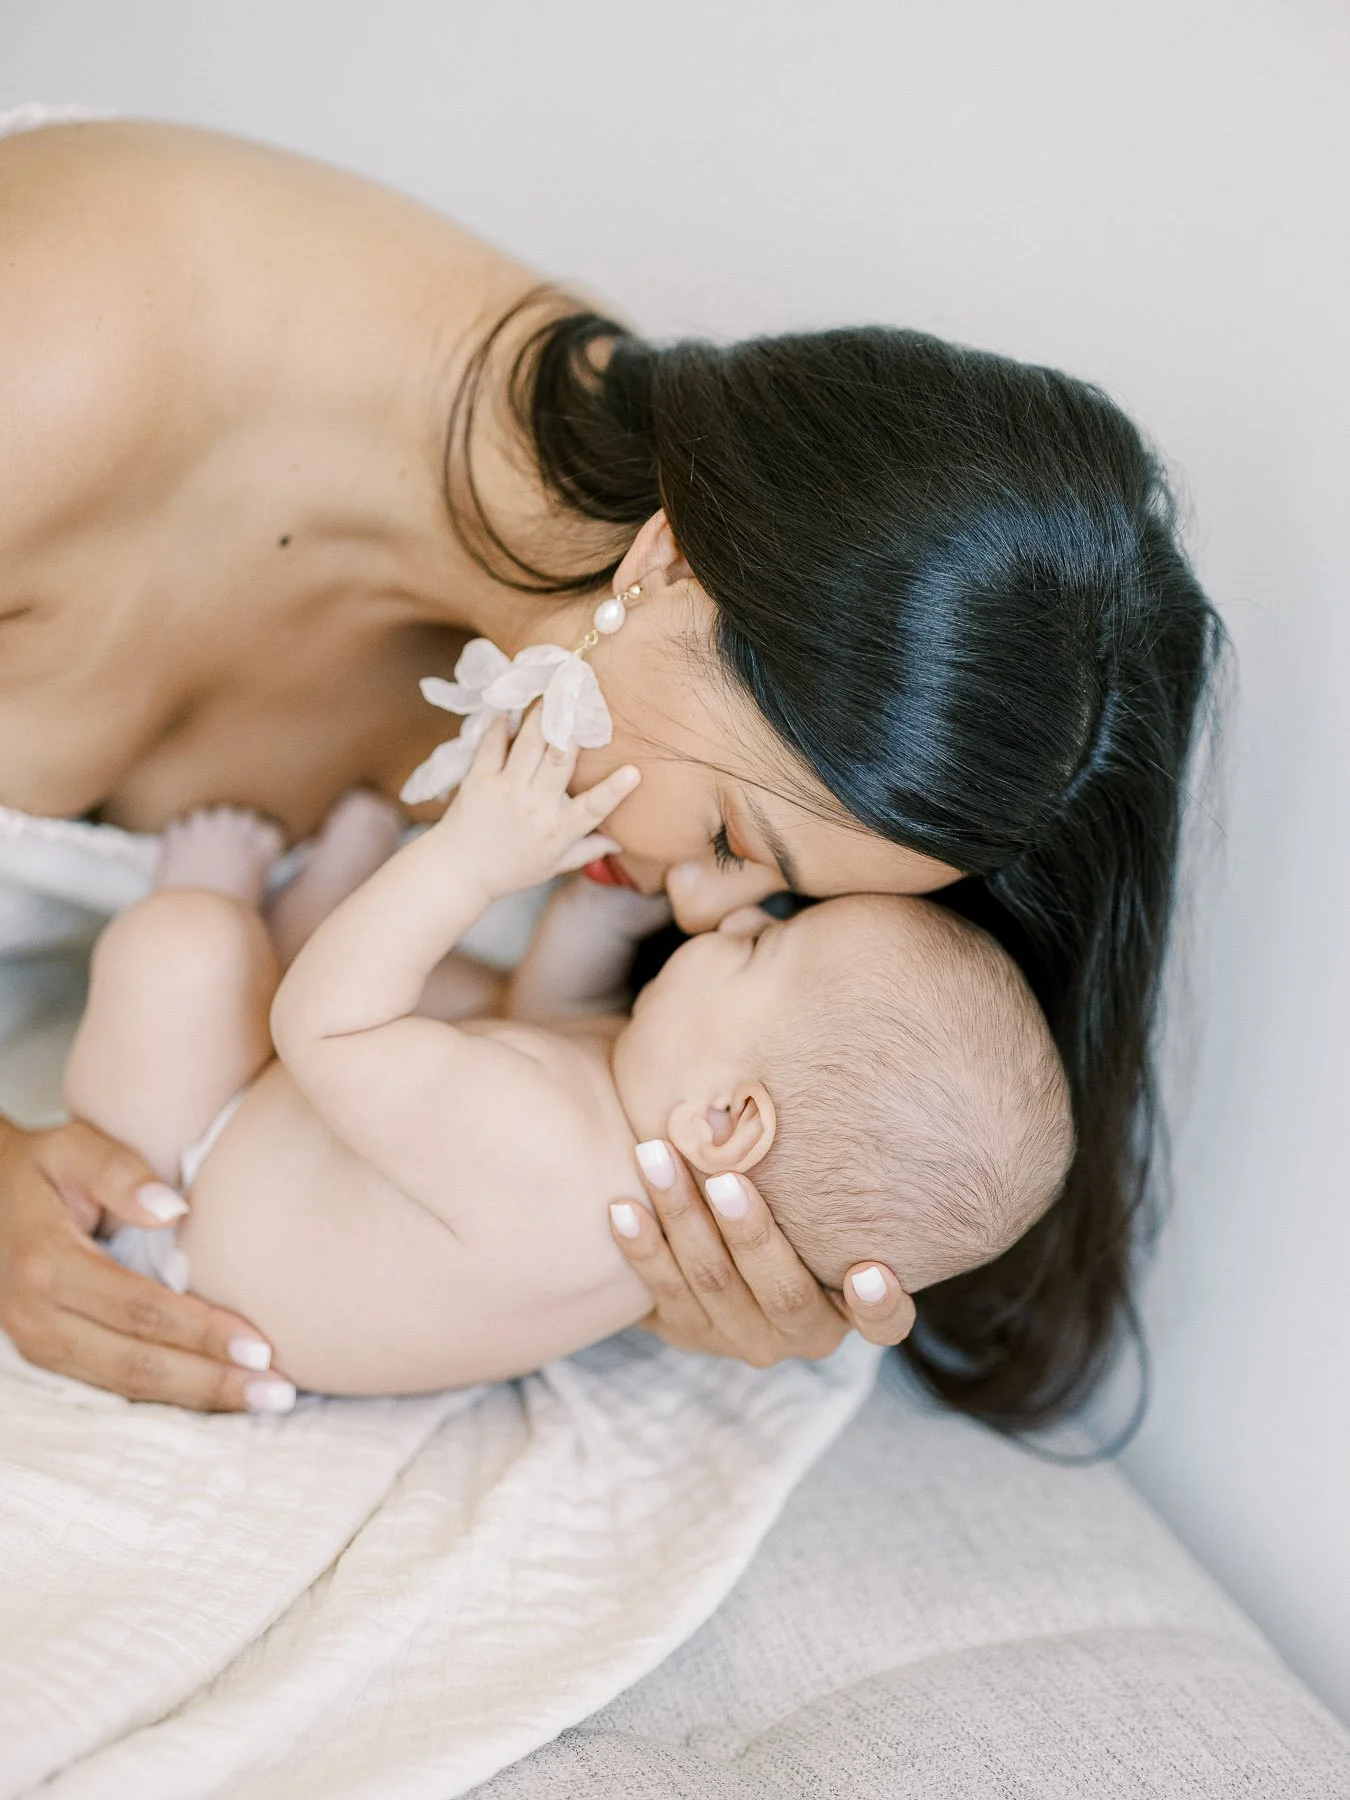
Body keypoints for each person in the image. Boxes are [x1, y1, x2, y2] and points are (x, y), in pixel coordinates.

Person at [0, 117, 1223, 1427]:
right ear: (669, 568)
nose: (697, 910)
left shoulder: (604, 668)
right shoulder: (55, 367)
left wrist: (684, 1257)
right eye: (737, 847)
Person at [65, 708, 1072, 1408]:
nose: (721, 926)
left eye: (762, 946)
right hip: (310, 1193)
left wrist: (467, 859)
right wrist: (593, 916)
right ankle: (311, 911)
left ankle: (229, 906)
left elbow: (326, 1030)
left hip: (181, 1215)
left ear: (727, 1120)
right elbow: (550, 1023)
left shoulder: (532, 1144)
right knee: (465, 1007)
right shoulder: (629, 1163)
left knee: (188, 950)